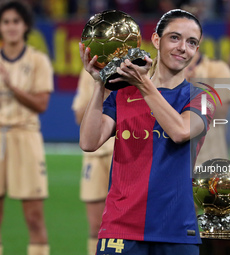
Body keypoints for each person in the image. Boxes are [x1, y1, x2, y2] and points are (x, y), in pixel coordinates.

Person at [79, 9, 215, 255]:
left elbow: (181, 132)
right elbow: (89, 142)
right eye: (174, 38)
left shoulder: (202, 97)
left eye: (192, 42)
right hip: (120, 227)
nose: (183, 47)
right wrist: (99, 83)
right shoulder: (123, 95)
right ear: (155, 40)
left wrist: (143, 84)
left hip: (176, 230)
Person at [0, 1, 53, 255]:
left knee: (33, 217)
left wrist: (12, 86)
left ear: (25, 26)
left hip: (26, 136)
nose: (10, 27)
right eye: (6, 22)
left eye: (15, 22)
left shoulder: (38, 60)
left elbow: (41, 103)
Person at [72, 69, 114, 255]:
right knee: (95, 225)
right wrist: (100, 90)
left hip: (122, 151)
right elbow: (79, 117)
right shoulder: (89, 71)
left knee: (128, 225)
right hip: (94, 154)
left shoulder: (131, 67)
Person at [185, 50, 230, 166]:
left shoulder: (217, 68)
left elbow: (220, 113)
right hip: (174, 160)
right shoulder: (158, 70)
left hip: (211, 158)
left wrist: (196, 86)